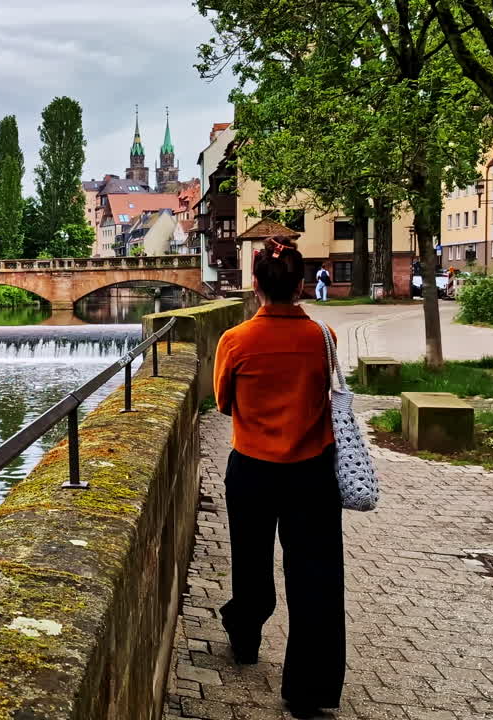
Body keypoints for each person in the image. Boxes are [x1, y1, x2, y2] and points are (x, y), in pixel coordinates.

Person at [214, 238, 345, 719]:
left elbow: (224, 403)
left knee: (250, 563)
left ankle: (245, 637)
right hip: (311, 471)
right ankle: (310, 692)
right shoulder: (322, 336)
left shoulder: (236, 341)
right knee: (317, 580)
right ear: (302, 284)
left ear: (254, 285)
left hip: (251, 468)